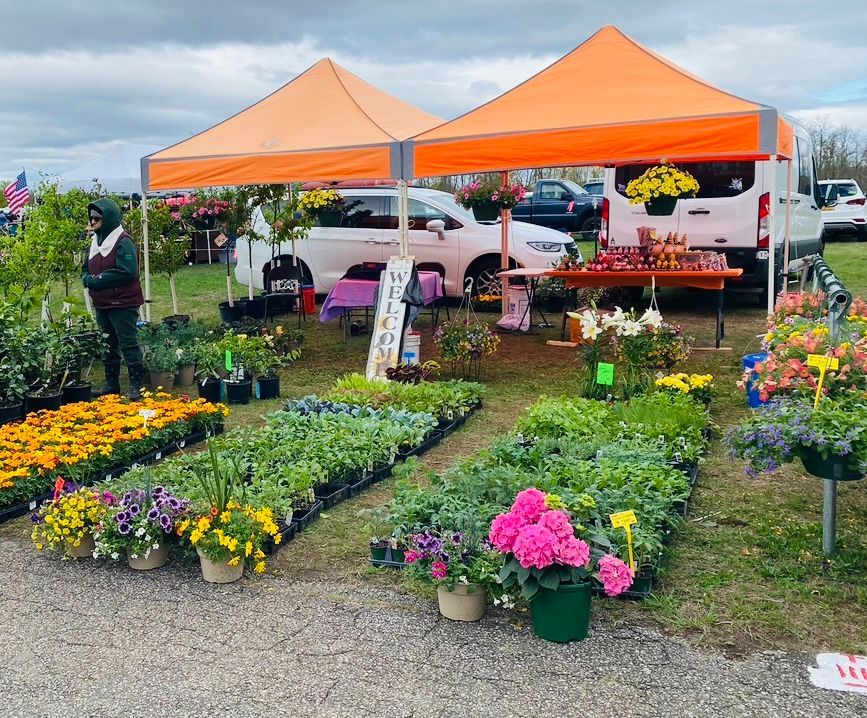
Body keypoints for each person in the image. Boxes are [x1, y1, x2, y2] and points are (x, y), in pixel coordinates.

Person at [81, 198, 145, 400]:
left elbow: (128, 271)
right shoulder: (95, 242)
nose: (92, 222)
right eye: (91, 218)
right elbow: (84, 269)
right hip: (102, 303)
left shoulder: (123, 241)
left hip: (123, 302)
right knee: (107, 342)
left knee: (128, 342)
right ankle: (111, 384)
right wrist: (86, 279)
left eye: (97, 218)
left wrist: (96, 280)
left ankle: (136, 385)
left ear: (108, 217)